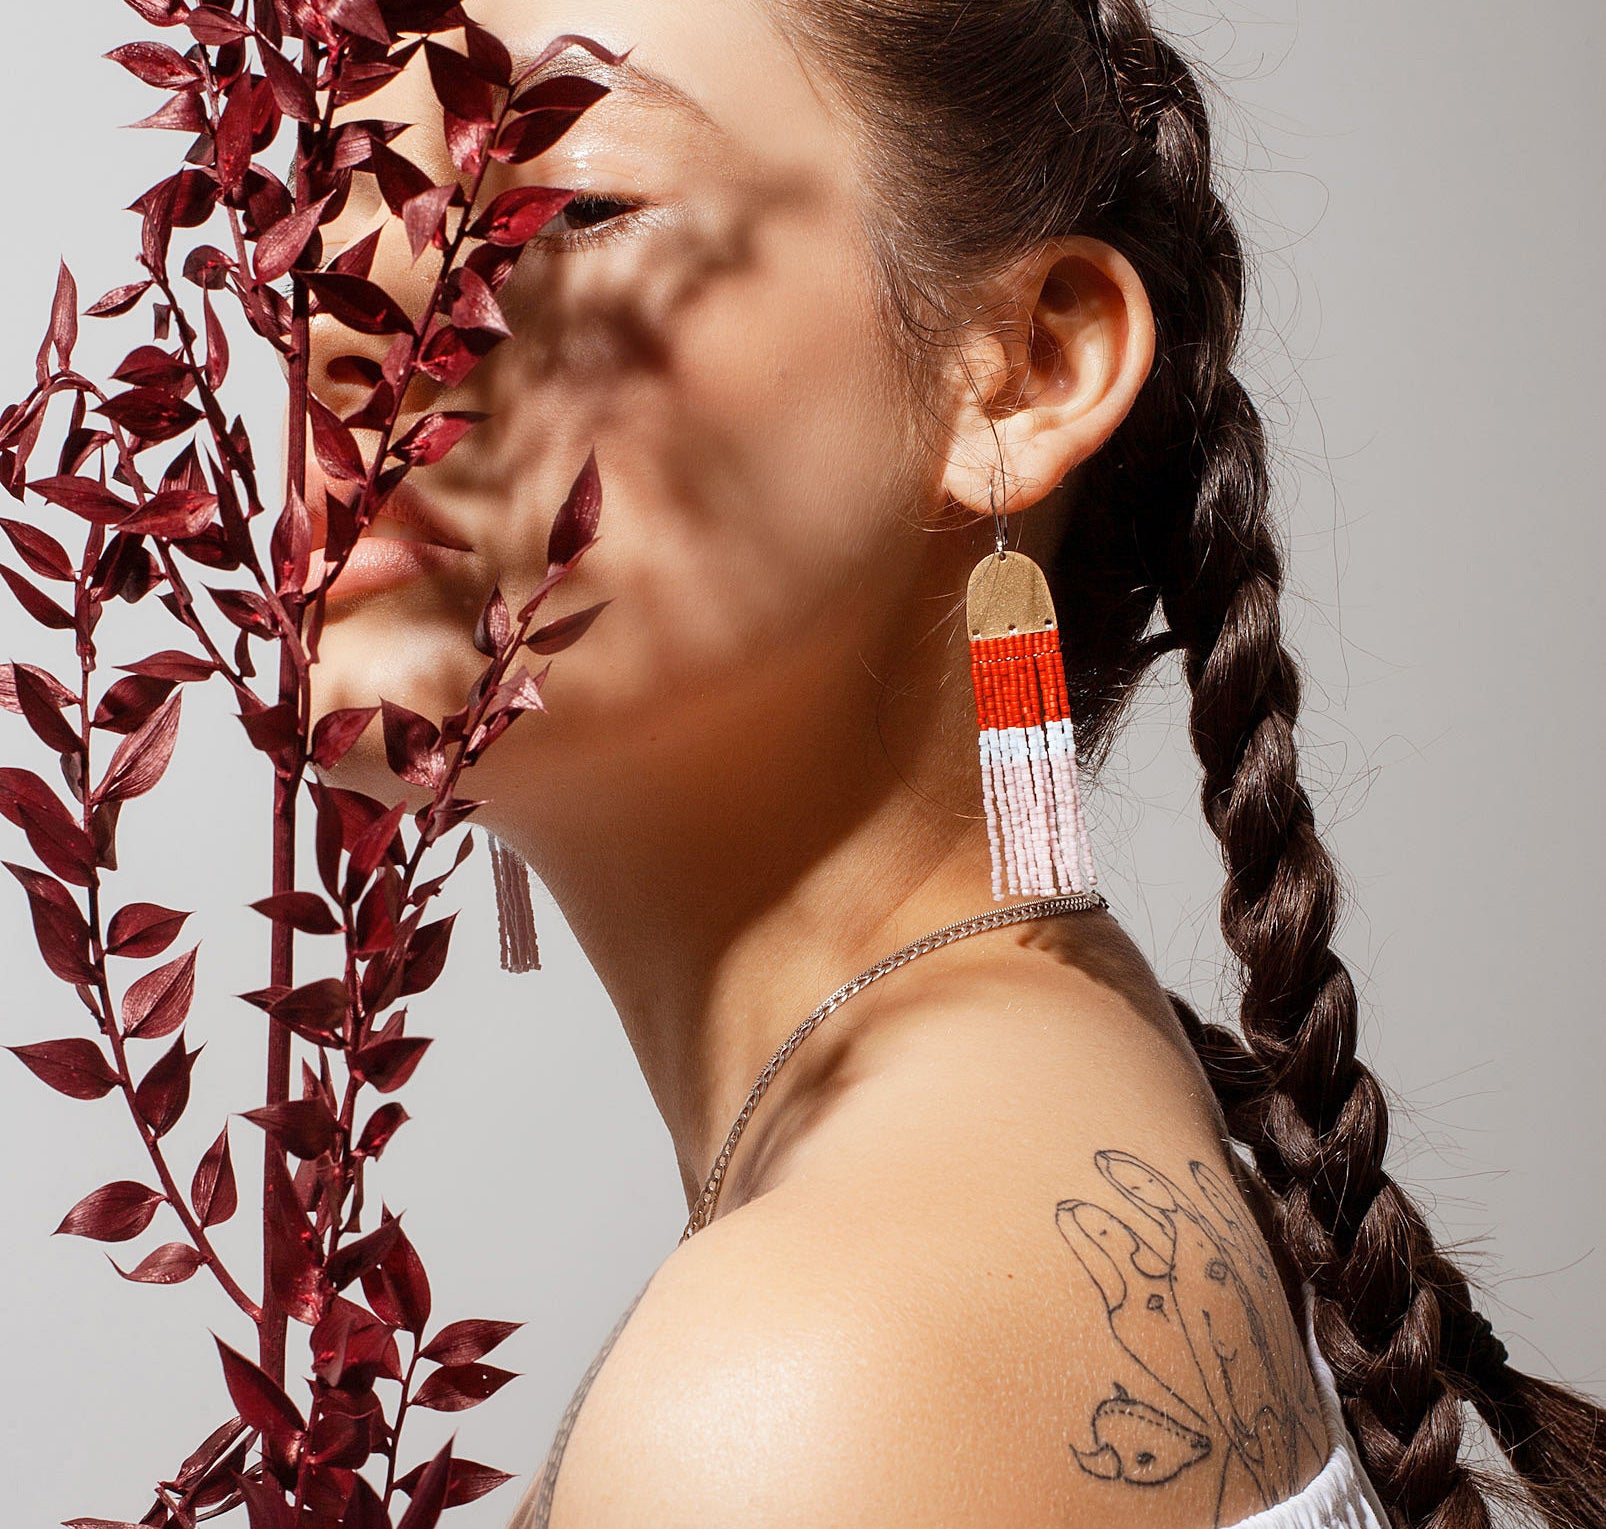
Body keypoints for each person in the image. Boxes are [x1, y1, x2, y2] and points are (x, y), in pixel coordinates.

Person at [301, 2, 1606, 1526]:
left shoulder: (808, 1383)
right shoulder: (1070, 1077)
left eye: (568, 206)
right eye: (317, 214)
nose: (345, 327)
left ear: (1023, 367)